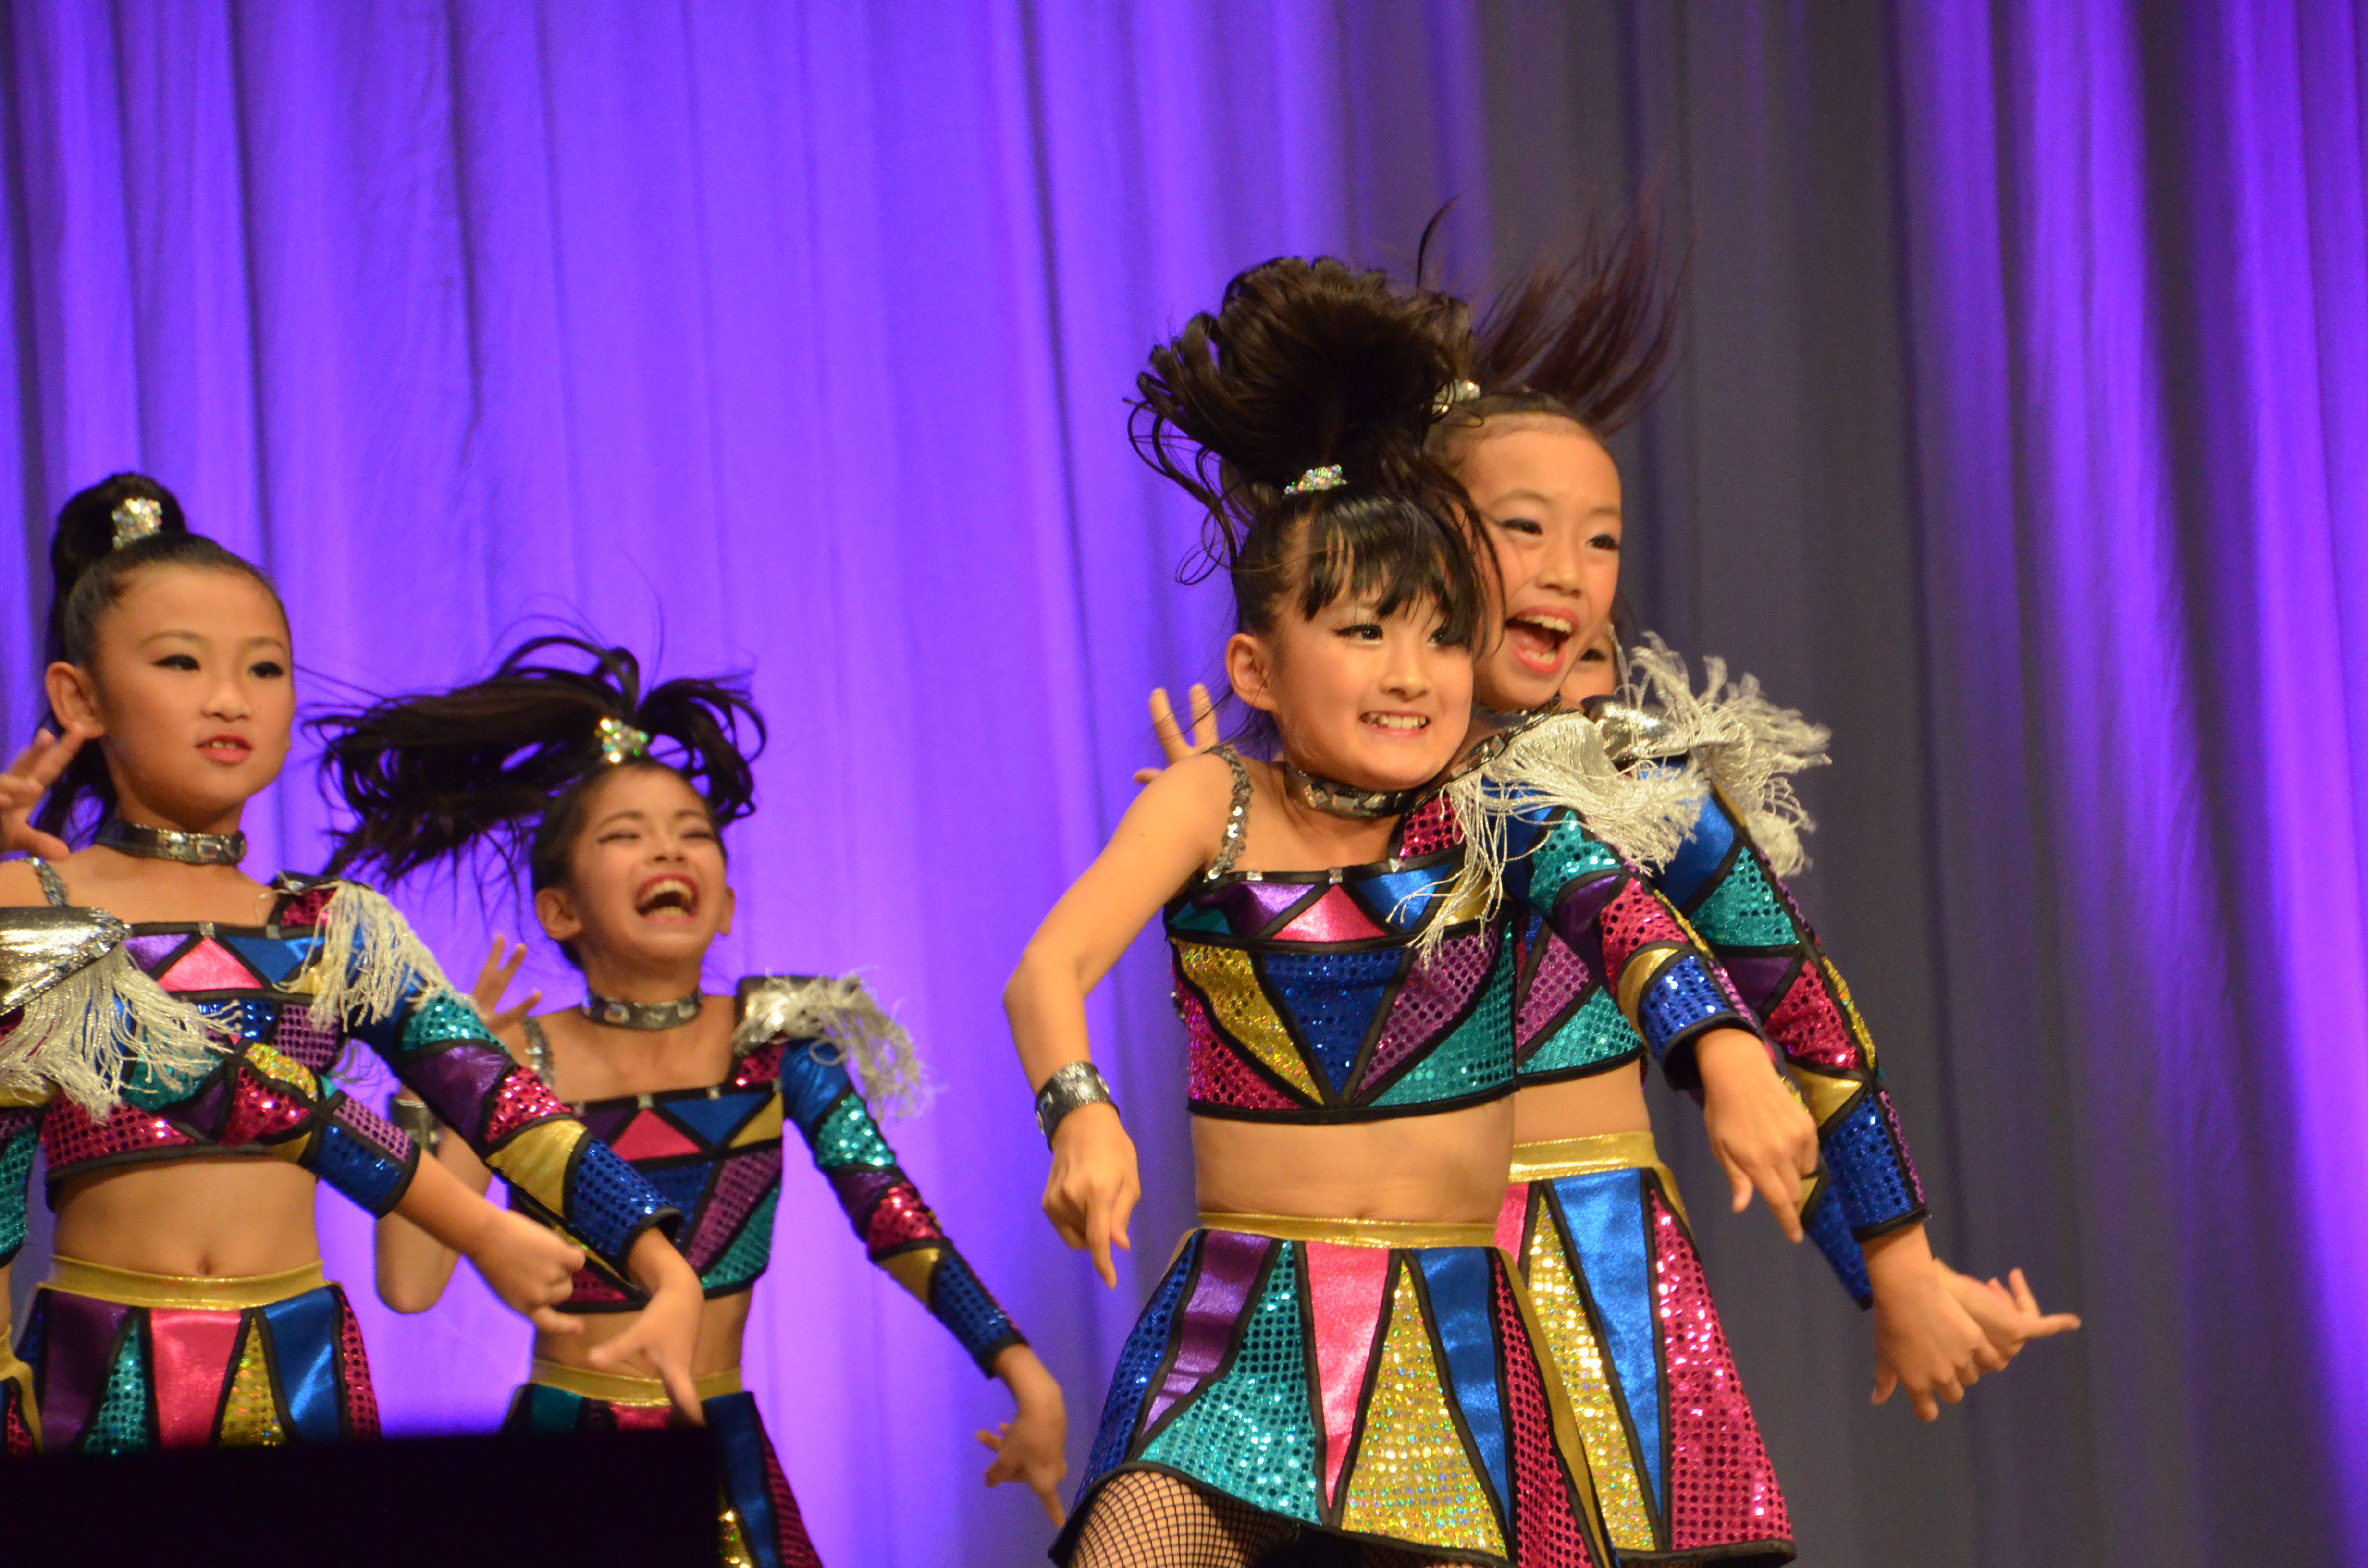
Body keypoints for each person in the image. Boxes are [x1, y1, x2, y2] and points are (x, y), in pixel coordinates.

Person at [1011, 256, 1790, 1568]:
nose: (1413, 673)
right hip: (1237, 1345)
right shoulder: (1211, 800)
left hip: (1448, 1370)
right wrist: (1077, 1112)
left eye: (1440, 636)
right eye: (1366, 632)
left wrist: (1726, 1057)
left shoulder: (1494, 812)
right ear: (1258, 665)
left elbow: (1625, 924)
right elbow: (1048, 968)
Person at [318, 636, 1067, 1568]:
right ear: (560, 911)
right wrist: (442, 1081)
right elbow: (410, 1286)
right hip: (562, 1468)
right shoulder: (520, 1060)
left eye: (693, 833)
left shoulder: (776, 1045)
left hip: (722, 1463)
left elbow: (893, 1218)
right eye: (625, 835)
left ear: (724, 904)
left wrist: (1021, 1369)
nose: (668, 847)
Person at [0, 475, 703, 1460]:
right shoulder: (36, 916)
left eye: (265, 669)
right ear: (80, 695)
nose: (228, 699)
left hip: (303, 1377)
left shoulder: (335, 932)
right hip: (91, 1383)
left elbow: (501, 1102)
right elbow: (206, 1103)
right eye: (179, 662)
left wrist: (658, 1257)